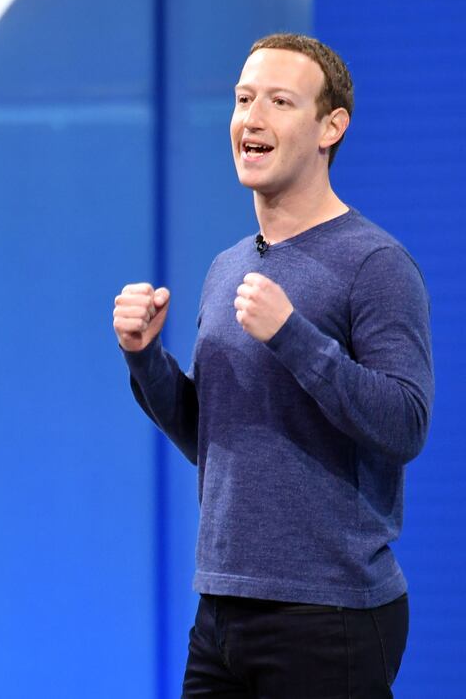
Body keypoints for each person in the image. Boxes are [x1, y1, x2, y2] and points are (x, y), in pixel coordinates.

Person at [113, 34, 434, 698]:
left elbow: (406, 424)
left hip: (331, 613)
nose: (251, 118)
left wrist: (295, 336)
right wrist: (146, 359)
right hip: (223, 609)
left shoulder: (375, 265)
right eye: (242, 99)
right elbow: (213, 436)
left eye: (279, 101)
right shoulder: (228, 266)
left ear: (329, 128)